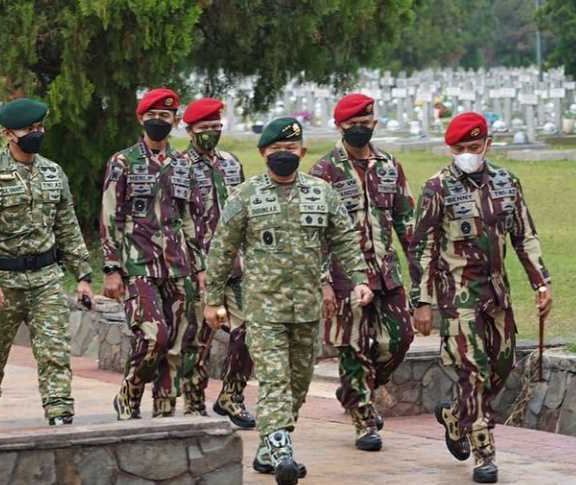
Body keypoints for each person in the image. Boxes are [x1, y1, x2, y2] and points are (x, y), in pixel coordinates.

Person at [203, 117, 373, 485]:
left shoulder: (321, 193)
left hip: (307, 308)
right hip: (264, 309)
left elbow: (344, 238)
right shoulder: (246, 195)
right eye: (276, 150)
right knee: (275, 380)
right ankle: (282, 449)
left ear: (302, 152)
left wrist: (359, 279)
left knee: (298, 382)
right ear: (264, 153)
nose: (284, 155)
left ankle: (268, 449)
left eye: (290, 149)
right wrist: (212, 299)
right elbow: (221, 249)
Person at [410, 112, 553, 484]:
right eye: (460, 148)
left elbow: (525, 236)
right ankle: (484, 452)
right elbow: (422, 249)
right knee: (474, 372)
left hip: (497, 296)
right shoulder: (437, 188)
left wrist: (541, 282)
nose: (468, 154)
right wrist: (421, 302)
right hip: (459, 298)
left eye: (474, 147)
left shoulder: (507, 183)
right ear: (451, 149)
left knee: (501, 367)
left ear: (488, 144)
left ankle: (456, 416)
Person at [0, 98, 94, 429]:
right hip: (3, 282)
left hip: (46, 279)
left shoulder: (53, 172)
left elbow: (67, 225)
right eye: (28, 129)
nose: (37, 133)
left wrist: (84, 274)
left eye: (39, 128)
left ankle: (59, 412)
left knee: (55, 352)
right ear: (8, 133)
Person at [309, 93, 415, 451]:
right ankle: (364, 420)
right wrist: (323, 281)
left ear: (374, 123)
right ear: (340, 127)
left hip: (386, 272)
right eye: (352, 125)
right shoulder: (324, 171)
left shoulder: (389, 166)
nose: (360, 130)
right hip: (344, 277)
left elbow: (405, 220)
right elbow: (315, 233)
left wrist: (422, 272)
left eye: (365, 123)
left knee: (400, 339)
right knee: (353, 348)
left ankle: (357, 390)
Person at [100, 87, 206, 419]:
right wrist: (111, 267)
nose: (159, 121)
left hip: (178, 266)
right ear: (141, 118)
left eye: (165, 116)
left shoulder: (182, 164)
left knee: (177, 345)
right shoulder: (123, 161)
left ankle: (164, 408)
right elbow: (109, 215)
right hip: (138, 263)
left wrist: (200, 267)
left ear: (175, 120)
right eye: (153, 116)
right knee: (154, 337)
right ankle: (130, 392)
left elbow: (188, 216)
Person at [179, 97, 255, 428]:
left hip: (235, 267)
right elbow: (176, 221)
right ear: (190, 130)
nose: (211, 133)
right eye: (204, 128)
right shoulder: (179, 167)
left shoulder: (231, 163)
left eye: (215, 127)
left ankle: (232, 395)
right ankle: (194, 401)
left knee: (249, 331)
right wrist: (196, 267)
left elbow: (244, 212)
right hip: (199, 267)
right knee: (198, 340)